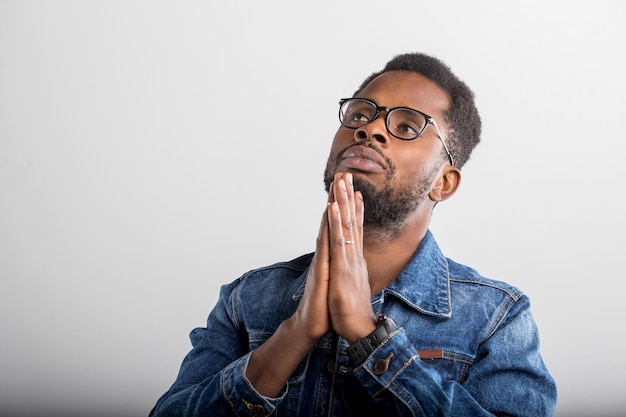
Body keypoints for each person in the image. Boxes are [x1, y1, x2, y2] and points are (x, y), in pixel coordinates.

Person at [149, 52, 557, 416]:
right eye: (361, 115)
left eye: (407, 125)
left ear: (444, 182)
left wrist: (367, 335)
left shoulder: (497, 317)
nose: (369, 130)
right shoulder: (247, 299)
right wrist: (292, 337)